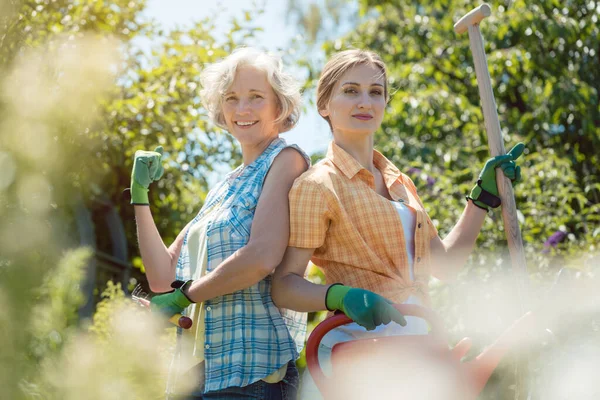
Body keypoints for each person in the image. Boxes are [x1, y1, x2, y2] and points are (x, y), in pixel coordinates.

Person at [271, 49, 524, 398]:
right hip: (363, 354)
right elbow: (284, 286)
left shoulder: (399, 182)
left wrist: (482, 198)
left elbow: (445, 265)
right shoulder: (318, 185)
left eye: (376, 92)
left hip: (423, 347)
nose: (365, 101)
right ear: (324, 105)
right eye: (351, 90)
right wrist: (339, 296)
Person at [129, 47, 310, 399]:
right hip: (194, 374)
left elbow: (261, 257)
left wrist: (184, 297)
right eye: (231, 98)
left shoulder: (285, 160)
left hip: (251, 373)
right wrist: (139, 194)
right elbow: (162, 276)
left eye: (256, 97)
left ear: (280, 106)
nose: (242, 109)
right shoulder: (224, 186)